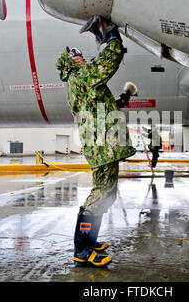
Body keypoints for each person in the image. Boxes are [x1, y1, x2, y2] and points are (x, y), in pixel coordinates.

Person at [56, 15, 136, 267]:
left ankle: (90, 239)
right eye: (75, 55)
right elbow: (107, 64)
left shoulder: (81, 81)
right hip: (102, 145)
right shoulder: (79, 77)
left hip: (104, 144)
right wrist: (111, 36)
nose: (81, 56)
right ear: (69, 63)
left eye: (79, 53)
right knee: (102, 192)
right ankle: (83, 248)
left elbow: (96, 107)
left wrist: (118, 102)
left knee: (107, 192)